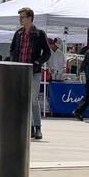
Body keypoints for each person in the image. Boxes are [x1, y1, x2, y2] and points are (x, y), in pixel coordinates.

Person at [10, 7, 53, 141]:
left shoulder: (39, 33)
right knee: (22, 100)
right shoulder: (18, 34)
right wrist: (13, 61)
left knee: (33, 99)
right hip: (20, 70)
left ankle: (37, 127)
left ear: (29, 18)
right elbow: (12, 50)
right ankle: (28, 128)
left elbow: (47, 52)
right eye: (20, 17)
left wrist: (37, 62)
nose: (20, 19)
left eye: (22, 17)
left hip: (33, 71)